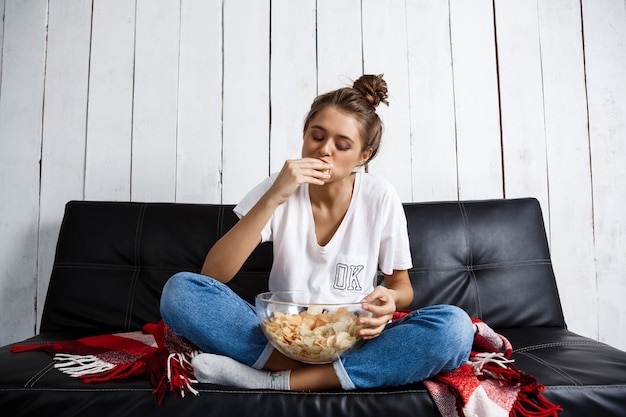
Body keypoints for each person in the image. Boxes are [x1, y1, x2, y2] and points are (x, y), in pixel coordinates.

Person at [160, 74, 474, 391]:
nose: (325, 151)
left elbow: (401, 286)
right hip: (282, 335)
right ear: (304, 135)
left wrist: (390, 298)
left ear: (363, 156)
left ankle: (272, 380)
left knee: (455, 329)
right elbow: (213, 274)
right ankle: (337, 374)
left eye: (342, 145)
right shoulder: (279, 185)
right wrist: (274, 197)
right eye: (317, 136)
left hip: (354, 337)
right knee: (180, 291)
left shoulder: (379, 196)